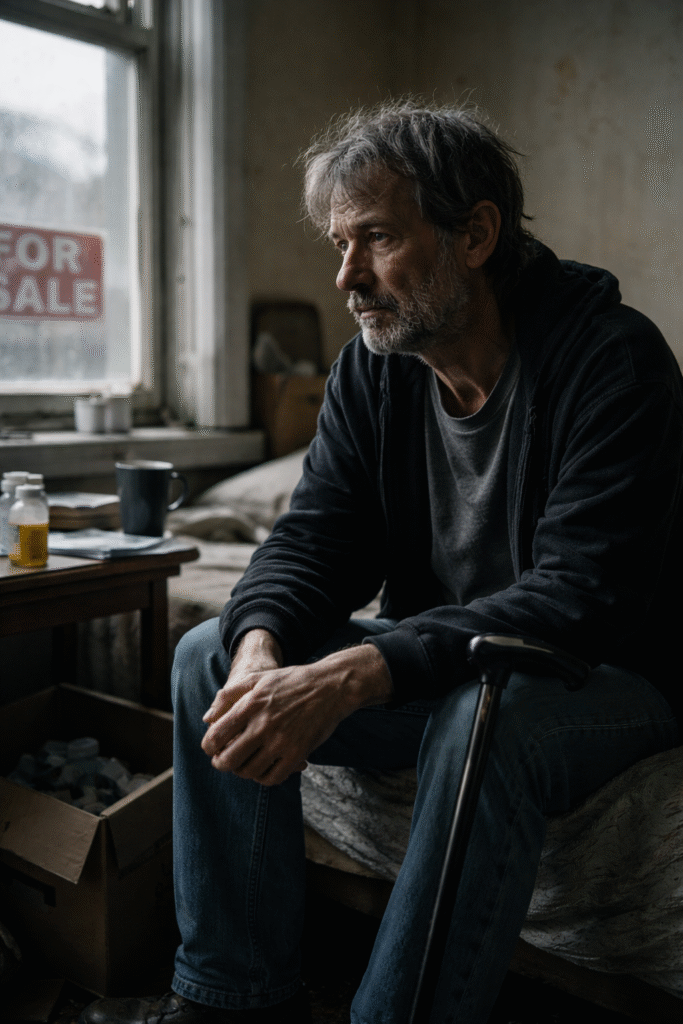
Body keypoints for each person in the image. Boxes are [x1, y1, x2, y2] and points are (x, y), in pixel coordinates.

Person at [82, 102, 683, 1024]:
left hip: (599, 675)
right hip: (444, 661)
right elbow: (315, 534)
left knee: (487, 717)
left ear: (474, 234)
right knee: (207, 653)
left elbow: (579, 594)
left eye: (375, 238)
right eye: (338, 242)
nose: (346, 276)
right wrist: (260, 649)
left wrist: (358, 671)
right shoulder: (375, 367)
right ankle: (229, 1001)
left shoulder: (612, 361)